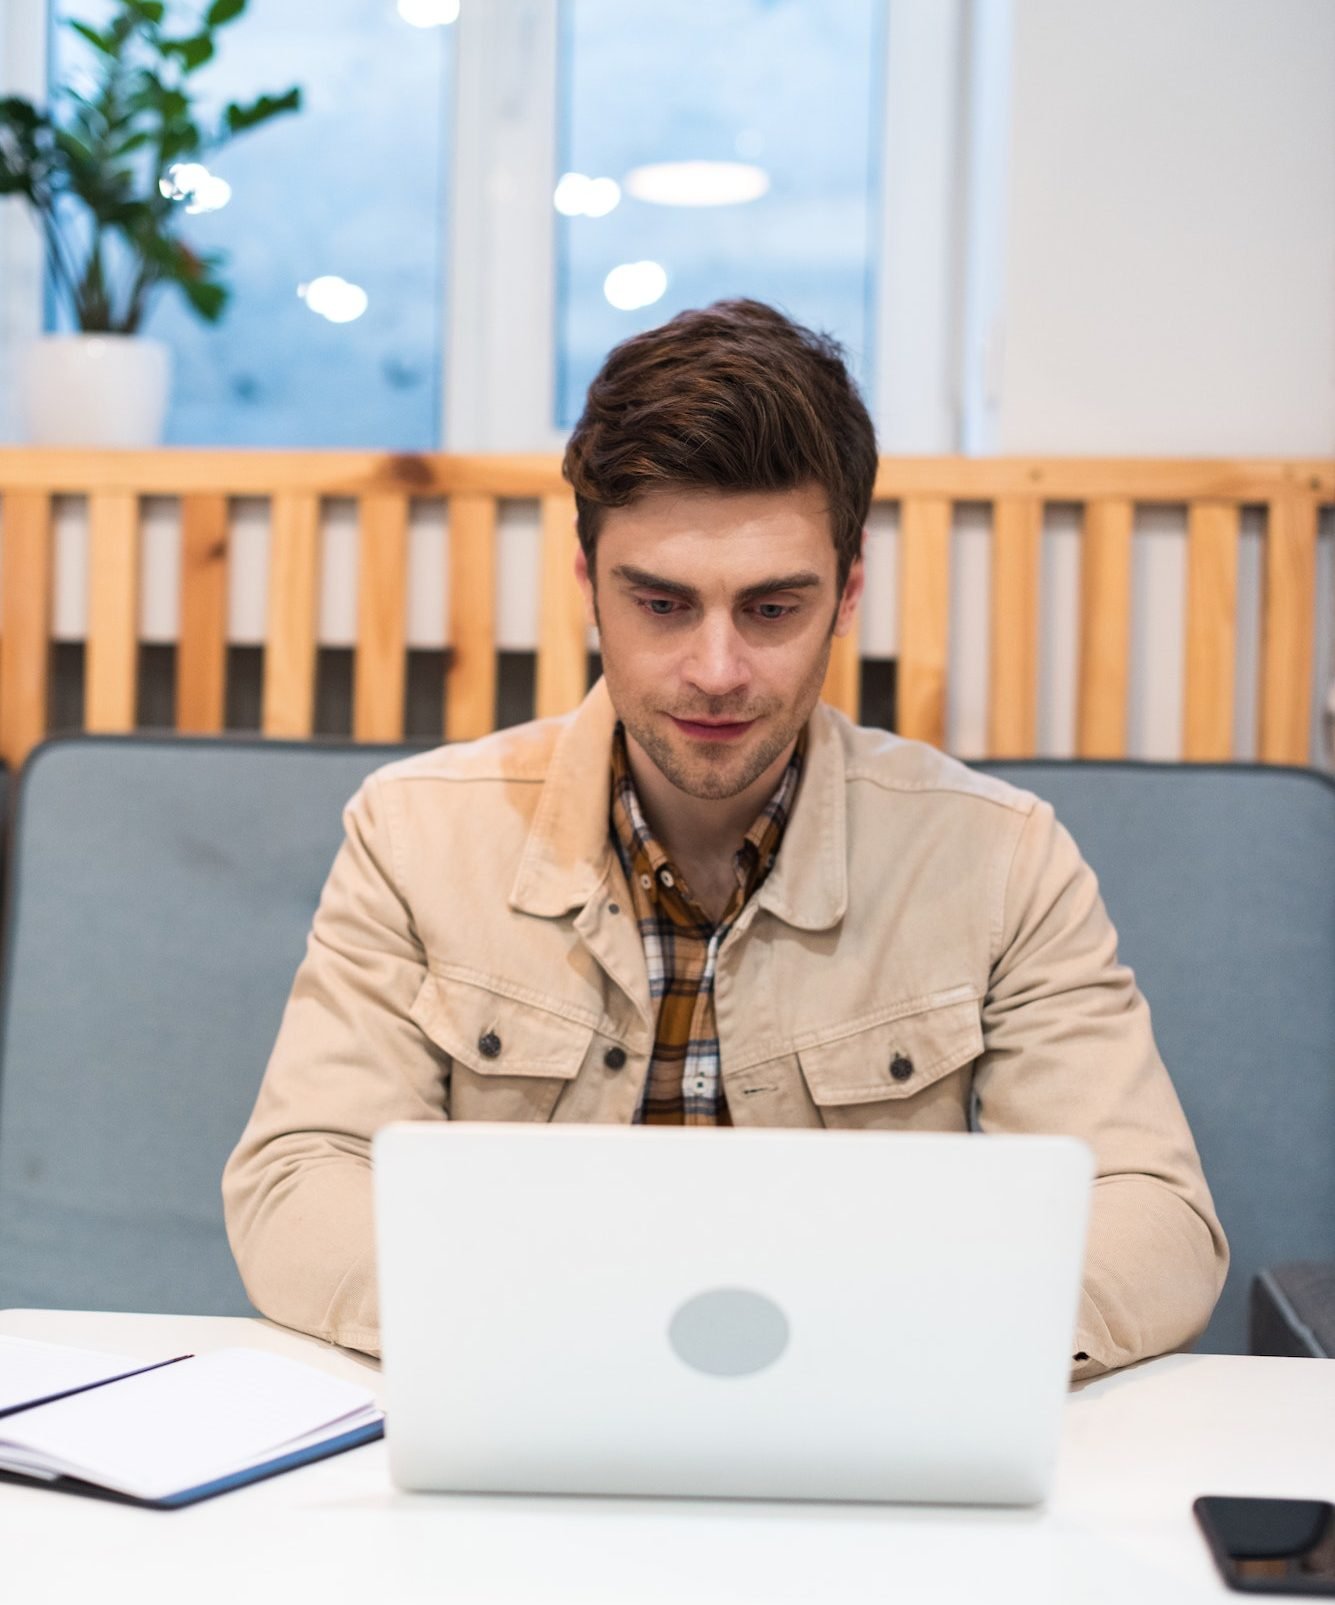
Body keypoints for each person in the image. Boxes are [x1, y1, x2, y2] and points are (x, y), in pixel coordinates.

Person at [223, 299, 1227, 1378]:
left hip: (861, 1425)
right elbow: (300, 1179)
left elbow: (1152, 1215)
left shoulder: (1002, 859)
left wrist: (894, 1348)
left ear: (847, 592)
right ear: (588, 587)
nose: (714, 671)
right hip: (532, 1413)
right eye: (661, 605)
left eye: (770, 609)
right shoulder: (414, 834)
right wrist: (564, 1334)